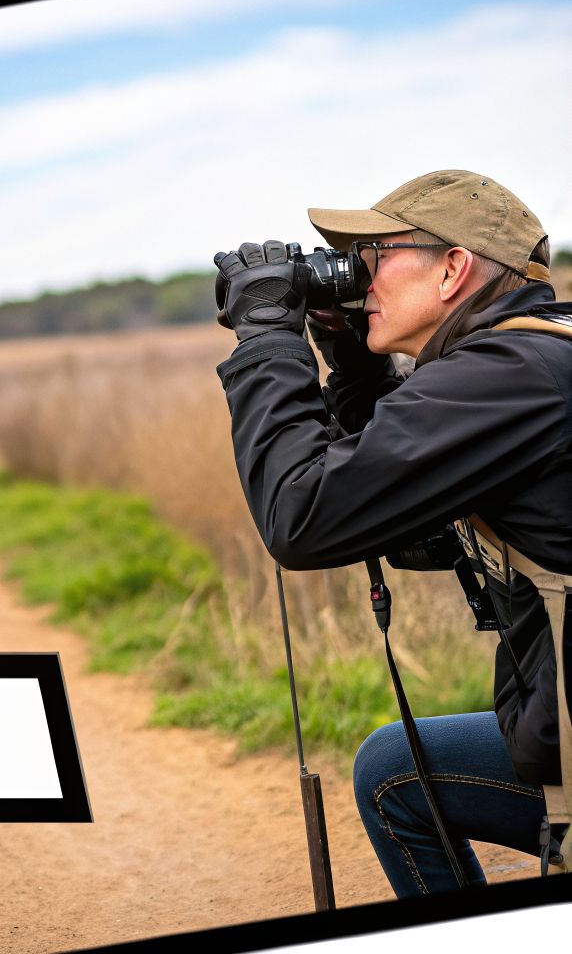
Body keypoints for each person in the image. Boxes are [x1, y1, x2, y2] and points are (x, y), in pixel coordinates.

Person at [212, 169, 570, 898]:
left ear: (452, 269)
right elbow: (420, 529)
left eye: (375, 254)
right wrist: (349, 355)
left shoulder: (508, 377)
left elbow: (302, 517)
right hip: (555, 726)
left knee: (395, 778)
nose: (359, 275)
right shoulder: (530, 357)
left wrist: (266, 341)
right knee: (393, 768)